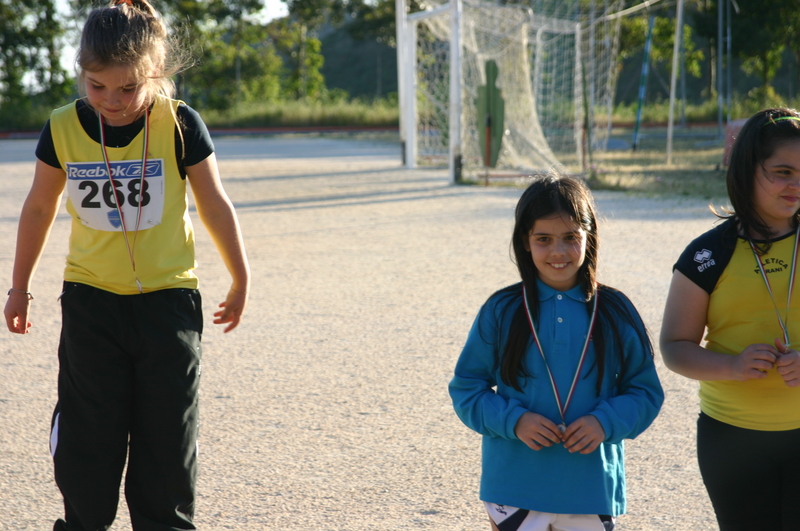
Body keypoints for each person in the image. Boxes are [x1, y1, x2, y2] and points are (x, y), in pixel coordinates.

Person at [3, 0, 250, 529]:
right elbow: (40, 206)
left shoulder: (180, 124)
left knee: (167, 449)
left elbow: (213, 203)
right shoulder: (63, 128)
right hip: (92, 304)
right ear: (81, 74)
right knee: (88, 446)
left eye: (127, 88)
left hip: (169, 304)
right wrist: (18, 287)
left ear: (154, 74)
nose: (111, 102)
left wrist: (240, 274)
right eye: (97, 87)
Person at [449, 175, 663, 531]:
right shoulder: (501, 309)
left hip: (590, 488)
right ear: (525, 242)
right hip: (514, 485)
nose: (558, 252)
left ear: (589, 236)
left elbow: (645, 391)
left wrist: (604, 422)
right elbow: (466, 389)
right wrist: (514, 421)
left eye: (570, 238)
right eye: (543, 239)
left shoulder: (615, 310)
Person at [661, 107, 800, 530]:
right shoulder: (708, 254)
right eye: (782, 171)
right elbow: (674, 346)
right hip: (731, 439)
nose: (796, 184)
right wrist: (732, 366)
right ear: (746, 170)